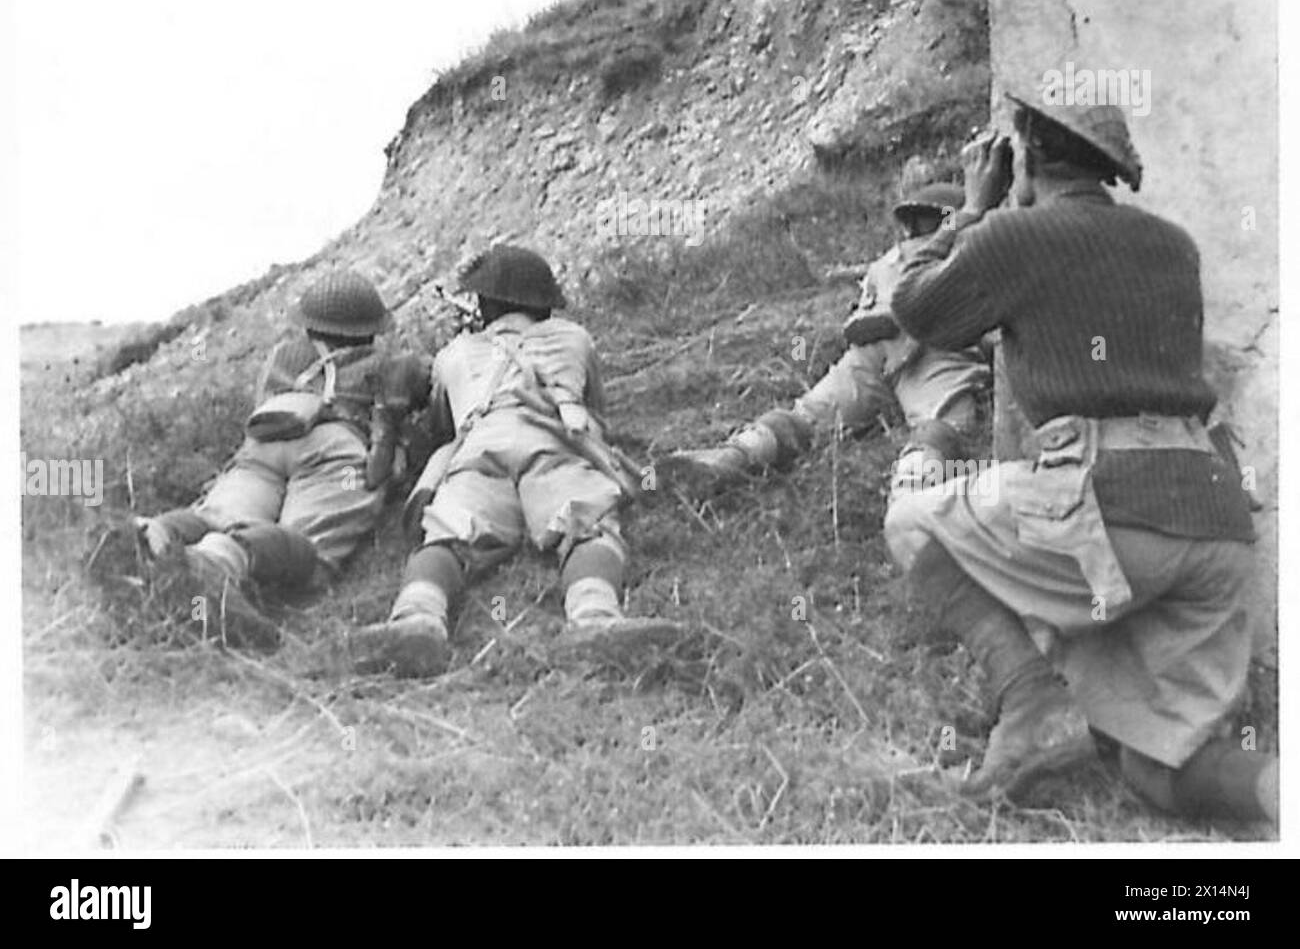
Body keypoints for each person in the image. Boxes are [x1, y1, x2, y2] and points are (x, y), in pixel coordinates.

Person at [882, 93, 1276, 825]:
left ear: (1024, 156)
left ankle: (1033, 702)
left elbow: (915, 310)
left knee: (913, 519)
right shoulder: (1174, 246)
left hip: (1112, 510)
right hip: (1216, 520)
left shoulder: (1015, 236)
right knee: (1162, 771)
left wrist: (970, 209)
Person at [353, 244, 679, 677]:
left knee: (447, 537)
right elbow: (594, 413)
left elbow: (442, 427)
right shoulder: (574, 338)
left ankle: (417, 618)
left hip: (479, 447)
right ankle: (594, 617)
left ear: (483, 305)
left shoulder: (454, 353)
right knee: (587, 526)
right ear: (545, 304)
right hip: (553, 441)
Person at [95, 269, 430, 647]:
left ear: (309, 326)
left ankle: (151, 535)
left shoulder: (282, 359)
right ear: (372, 327)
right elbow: (383, 454)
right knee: (304, 549)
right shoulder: (393, 365)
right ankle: (215, 564)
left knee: (214, 516)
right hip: (334, 452)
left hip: (262, 445)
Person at [666, 183, 990, 493]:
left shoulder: (887, 261)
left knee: (806, 418)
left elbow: (859, 318)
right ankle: (911, 497)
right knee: (945, 427)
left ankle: (735, 456)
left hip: (871, 348)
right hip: (935, 344)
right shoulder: (966, 249)